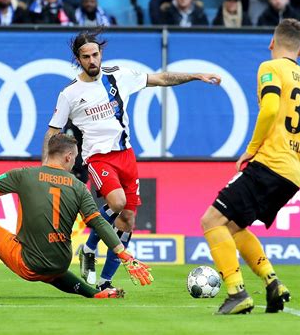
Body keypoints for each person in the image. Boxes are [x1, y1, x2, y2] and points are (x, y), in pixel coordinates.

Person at [42, 28, 221, 291]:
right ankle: (89, 249)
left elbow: (160, 79)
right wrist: (45, 167)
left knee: (127, 221)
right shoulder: (69, 93)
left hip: (126, 155)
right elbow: (52, 131)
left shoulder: (119, 76)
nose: (92, 61)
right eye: (86, 57)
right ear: (77, 59)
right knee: (117, 202)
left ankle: (105, 283)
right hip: (98, 158)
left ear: (101, 53)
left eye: (95, 54)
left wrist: (195, 75)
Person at [0, 134, 153, 299]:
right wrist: (124, 254)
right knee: (49, 259)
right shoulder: (78, 187)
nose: (75, 161)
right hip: (60, 263)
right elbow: (100, 223)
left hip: (29, 263)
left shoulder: (24, 175)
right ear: (68, 157)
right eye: (75, 157)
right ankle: (93, 293)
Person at [200, 18, 300, 315]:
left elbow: (269, 108)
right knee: (232, 225)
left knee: (211, 221)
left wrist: (252, 150)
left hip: (269, 163)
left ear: (272, 42)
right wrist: (297, 158)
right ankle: (272, 283)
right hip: (293, 174)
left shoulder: (271, 68)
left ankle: (236, 291)